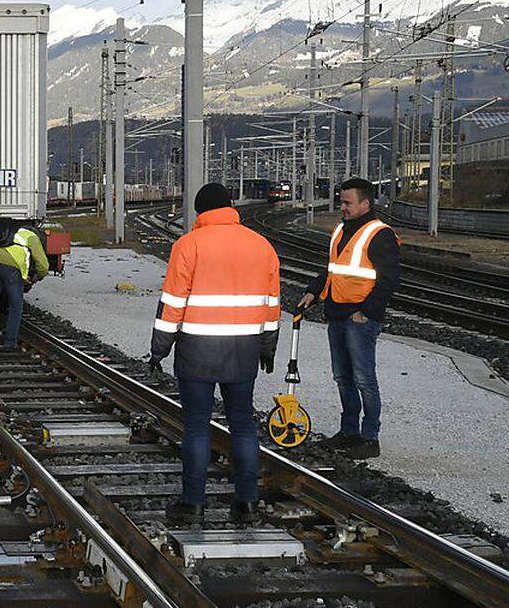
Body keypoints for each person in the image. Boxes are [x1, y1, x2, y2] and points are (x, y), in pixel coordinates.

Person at [150, 183, 281, 526]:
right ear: (230, 207)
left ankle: (193, 505)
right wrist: (268, 347)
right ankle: (247, 504)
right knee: (243, 427)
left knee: (196, 428)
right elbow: (271, 305)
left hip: (198, 349)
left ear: (200, 212)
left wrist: (158, 350)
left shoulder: (188, 244)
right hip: (244, 350)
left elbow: (173, 303)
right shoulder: (261, 246)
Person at [297, 177, 400, 460]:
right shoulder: (342, 229)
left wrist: (365, 312)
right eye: (341, 201)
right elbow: (333, 269)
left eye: (347, 202)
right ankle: (349, 431)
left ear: (365, 203)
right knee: (343, 377)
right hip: (337, 312)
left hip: (360, 319)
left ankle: (370, 438)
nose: (342, 206)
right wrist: (313, 291)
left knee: (364, 378)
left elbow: (389, 279)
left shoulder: (379, 234)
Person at [0, 219, 48, 351]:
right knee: (15, 306)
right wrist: (37, 277)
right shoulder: (31, 237)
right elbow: (43, 265)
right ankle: (10, 343)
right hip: (11, 268)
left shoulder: (9, 232)